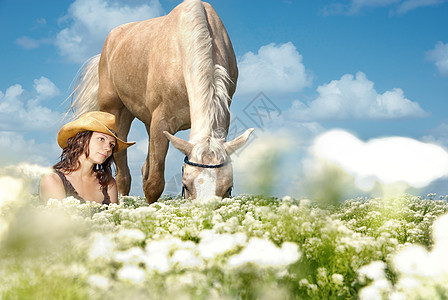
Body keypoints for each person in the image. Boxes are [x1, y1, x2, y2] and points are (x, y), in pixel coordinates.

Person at [39, 111, 135, 204]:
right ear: (81, 140)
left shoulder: (108, 183)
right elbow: (59, 220)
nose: (108, 148)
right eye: (101, 139)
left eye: (112, 145)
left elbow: (115, 219)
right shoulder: (52, 180)